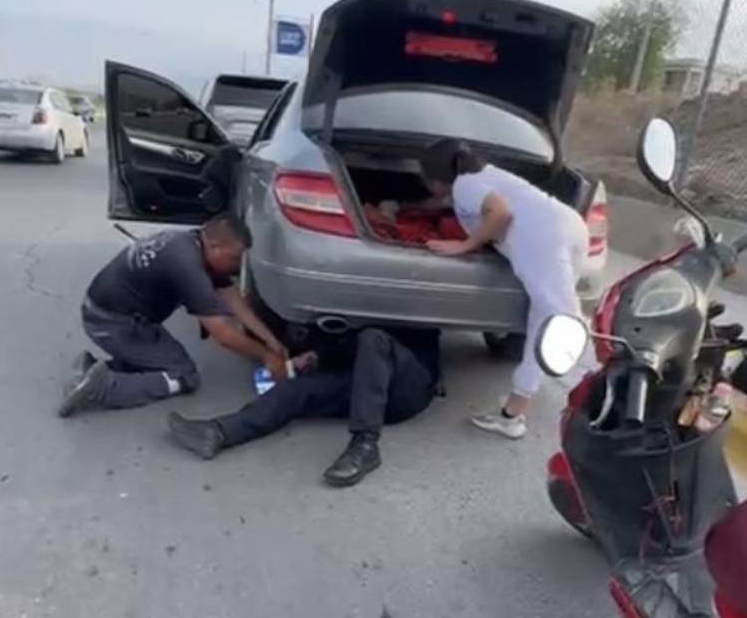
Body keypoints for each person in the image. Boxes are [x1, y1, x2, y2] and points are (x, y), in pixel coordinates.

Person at [420, 138, 588, 440]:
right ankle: (513, 412)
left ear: (436, 177)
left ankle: (598, 396)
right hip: (569, 226)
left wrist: (466, 245)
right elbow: (458, 204)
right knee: (545, 321)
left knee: (561, 324)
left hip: (541, 239)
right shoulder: (480, 176)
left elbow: (500, 212)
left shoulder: (464, 186)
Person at [58, 215, 287, 417]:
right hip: (113, 322)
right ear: (215, 246)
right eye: (235, 259)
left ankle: (90, 371)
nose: (237, 267)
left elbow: (232, 298)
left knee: (162, 362)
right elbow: (223, 335)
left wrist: (270, 341)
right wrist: (266, 357)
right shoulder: (187, 267)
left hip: (110, 313)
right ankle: (103, 388)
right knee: (183, 376)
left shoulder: (191, 244)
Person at [167, 326, 441, 487]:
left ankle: (365, 446)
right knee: (297, 389)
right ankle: (219, 432)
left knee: (373, 338)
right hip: (364, 384)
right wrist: (317, 357)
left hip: (409, 386)